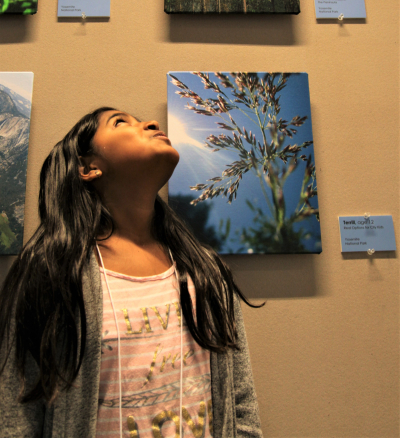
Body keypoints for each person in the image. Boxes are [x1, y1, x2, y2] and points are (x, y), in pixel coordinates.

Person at [0, 107, 263, 437]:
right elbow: (18, 413)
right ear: (88, 166)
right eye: (121, 122)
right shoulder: (50, 272)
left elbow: (240, 402)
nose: (151, 124)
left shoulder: (204, 270)